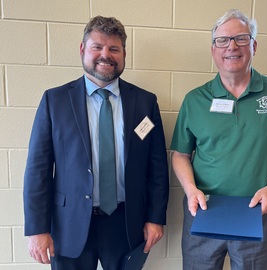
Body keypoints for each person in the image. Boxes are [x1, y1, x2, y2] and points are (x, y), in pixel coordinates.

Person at [23, 16, 169, 270]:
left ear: (124, 53)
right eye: (97, 47)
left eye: (114, 49)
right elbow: (38, 170)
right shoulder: (54, 101)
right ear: (82, 50)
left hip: (125, 222)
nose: (106, 55)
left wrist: (156, 218)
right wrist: (37, 229)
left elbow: (157, 168)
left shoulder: (145, 102)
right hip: (70, 224)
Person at [170, 9, 267, 270]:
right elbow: (180, 154)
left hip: (258, 212)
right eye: (222, 40)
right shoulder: (195, 100)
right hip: (203, 211)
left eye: (241, 38)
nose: (231, 46)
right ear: (213, 50)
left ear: (254, 45)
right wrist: (190, 190)